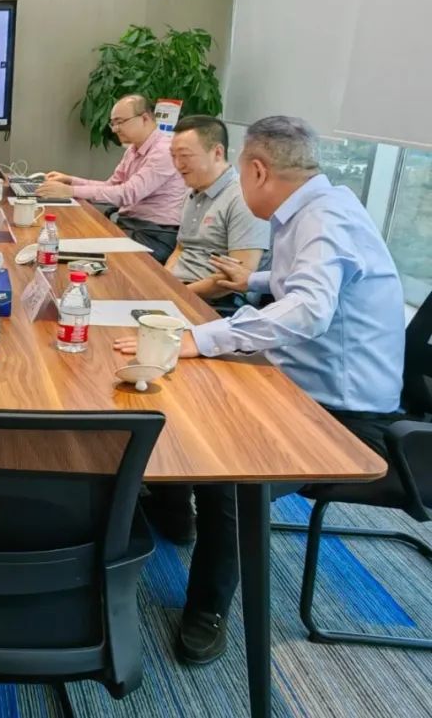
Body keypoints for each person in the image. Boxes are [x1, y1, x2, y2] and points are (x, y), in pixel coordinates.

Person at [114, 115, 406, 665]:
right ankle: (174, 507)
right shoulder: (316, 208)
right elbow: (313, 281)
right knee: (183, 385)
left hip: (343, 415)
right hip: (297, 381)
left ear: (256, 170)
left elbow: (311, 309)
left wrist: (199, 338)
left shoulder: (324, 218)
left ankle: (208, 608)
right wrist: (252, 281)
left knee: (231, 471)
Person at [39, 94, 185, 262]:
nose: (115, 129)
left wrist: (70, 191)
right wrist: (70, 180)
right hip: (131, 226)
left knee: (77, 252)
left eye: (120, 122)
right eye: (113, 123)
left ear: (144, 118)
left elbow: (128, 193)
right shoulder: (133, 149)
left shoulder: (164, 151)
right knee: (65, 240)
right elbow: (111, 185)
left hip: (154, 234)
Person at [164, 116, 269, 304]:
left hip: (218, 301)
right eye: (173, 156)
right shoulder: (193, 191)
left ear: (217, 153)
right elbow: (181, 248)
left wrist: (175, 293)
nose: (178, 164)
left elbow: (237, 276)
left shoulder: (243, 198)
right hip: (180, 290)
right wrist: (164, 280)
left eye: (185, 156)